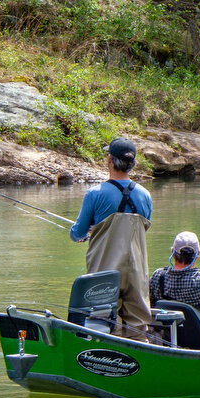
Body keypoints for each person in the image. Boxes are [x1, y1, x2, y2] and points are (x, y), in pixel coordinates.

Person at [69, 137, 155, 341]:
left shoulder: (95, 194)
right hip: (136, 271)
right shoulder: (145, 195)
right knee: (137, 325)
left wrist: (86, 232)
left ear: (109, 159)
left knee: (104, 323)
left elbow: (77, 233)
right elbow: (143, 229)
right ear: (132, 164)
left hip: (104, 270)